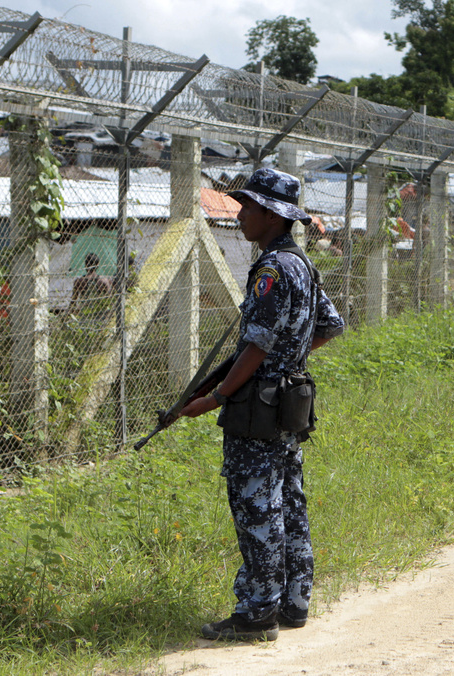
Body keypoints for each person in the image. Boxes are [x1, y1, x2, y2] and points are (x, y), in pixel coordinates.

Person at [179, 167, 345, 642]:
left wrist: (216, 396)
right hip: (289, 403)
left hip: (258, 407)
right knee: (288, 502)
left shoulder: (272, 268)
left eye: (247, 207)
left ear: (272, 215)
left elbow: (255, 346)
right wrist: (289, 357)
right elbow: (329, 326)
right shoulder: (301, 264)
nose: (240, 215)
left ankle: (256, 614)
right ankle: (293, 603)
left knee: (258, 508)